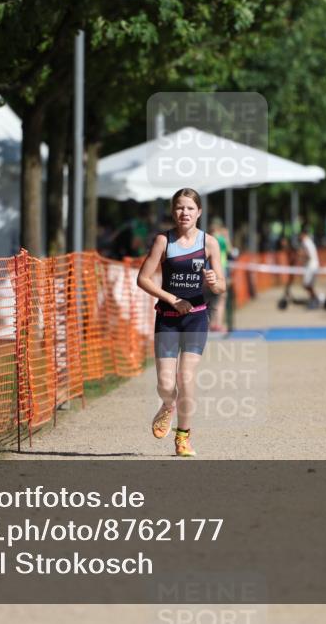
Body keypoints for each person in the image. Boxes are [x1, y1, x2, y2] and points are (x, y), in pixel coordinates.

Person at [137, 188, 226, 457]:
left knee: (185, 377)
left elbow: (221, 286)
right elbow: (143, 279)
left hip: (196, 318)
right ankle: (168, 405)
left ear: (199, 212)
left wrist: (214, 282)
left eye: (189, 208)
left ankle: (183, 437)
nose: (184, 213)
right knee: (166, 385)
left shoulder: (209, 243)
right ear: (173, 211)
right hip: (167, 318)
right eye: (179, 207)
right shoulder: (163, 241)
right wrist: (172, 299)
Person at [298, 223, 324, 308]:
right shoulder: (309, 241)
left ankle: (315, 299)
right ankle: (315, 299)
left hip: (311, 266)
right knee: (308, 285)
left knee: (307, 284)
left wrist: (300, 255)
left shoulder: (305, 242)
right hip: (312, 266)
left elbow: (308, 255)